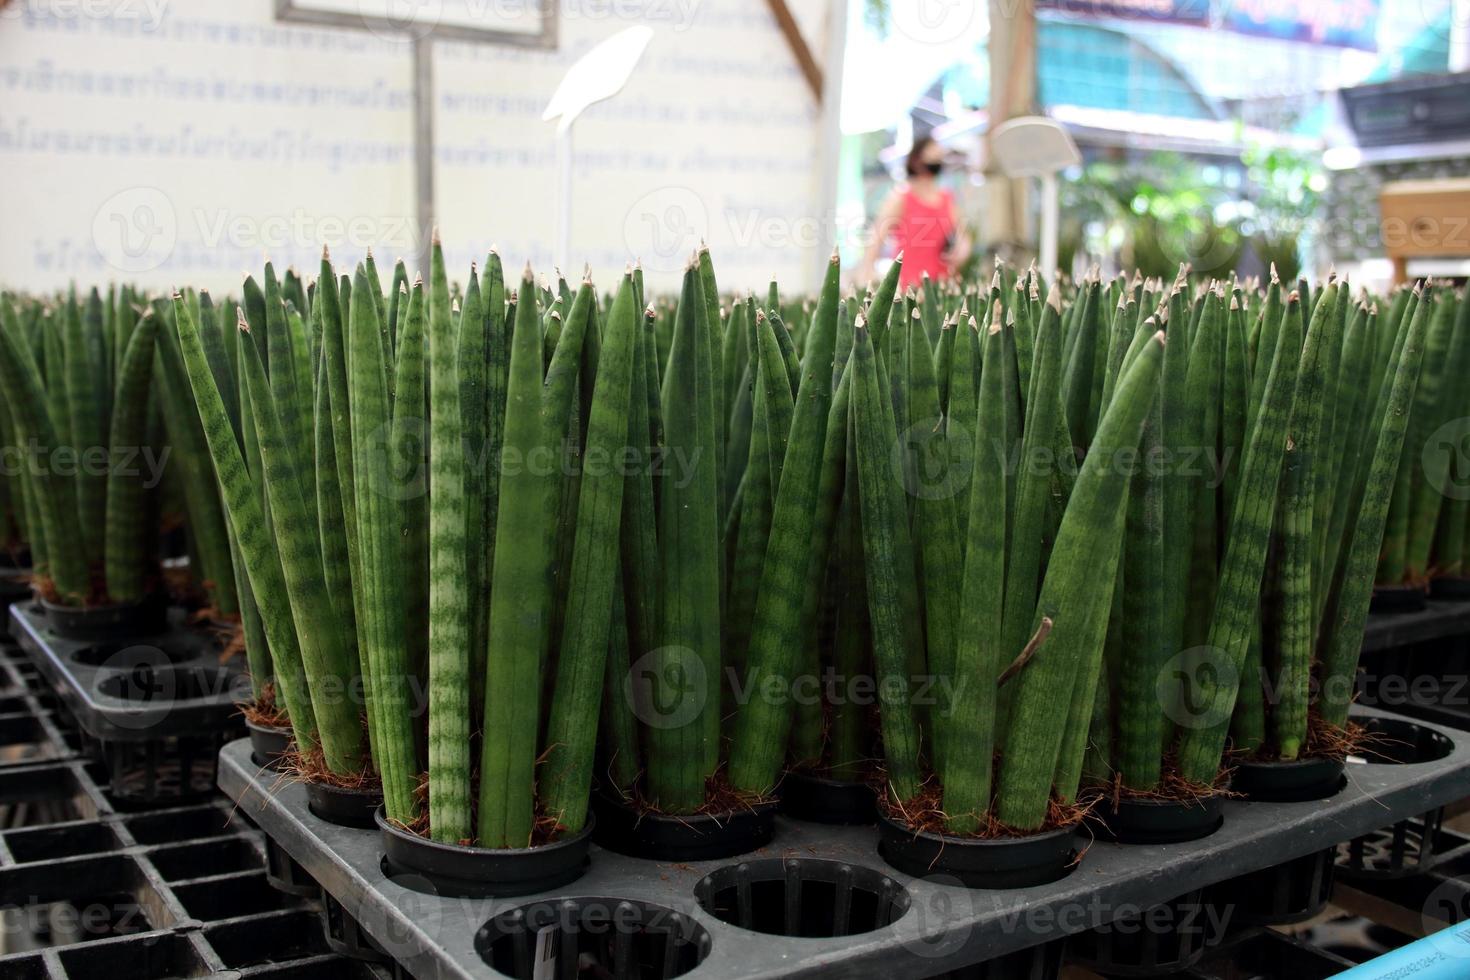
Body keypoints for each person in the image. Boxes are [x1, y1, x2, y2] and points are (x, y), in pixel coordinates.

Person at [858, 136, 973, 290]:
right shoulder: (901, 197)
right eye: (932, 158)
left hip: (941, 286)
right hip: (908, 285)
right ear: (916, 161)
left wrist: (963, 249)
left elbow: (962, 234)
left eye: (939, 158)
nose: (936, 163)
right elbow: (878, 235)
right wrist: (866, 271)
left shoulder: (947, 199)